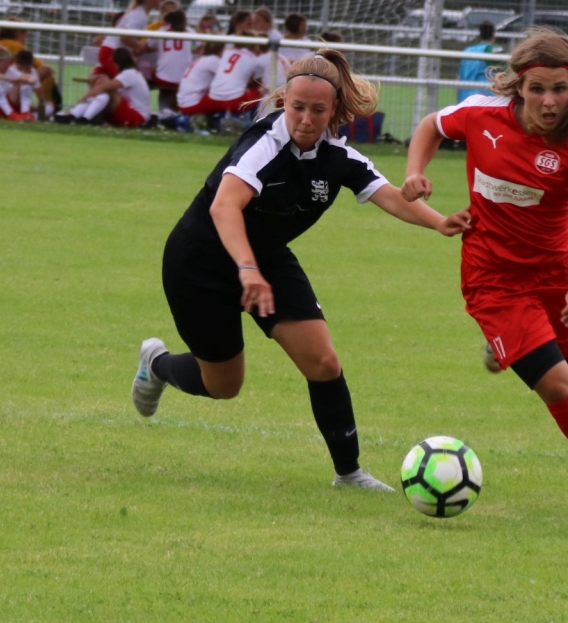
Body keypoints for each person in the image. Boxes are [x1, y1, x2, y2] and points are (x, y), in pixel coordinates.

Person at [132, 48, 470, 490]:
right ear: (283, 102)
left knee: (323, 361)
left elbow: (387, 193)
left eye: (317, 110)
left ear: (334, 110)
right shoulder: (263, 146)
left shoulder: (337, 156)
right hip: (199, 263)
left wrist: (440, 222)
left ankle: (349, 473)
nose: (306, 119)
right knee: (224, 385)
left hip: (266, 259)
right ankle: (157, 365)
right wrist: (247, 269)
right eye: (297, 107)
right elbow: (224, 206)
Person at [400, 27, 568, 520]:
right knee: (559, 387)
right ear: (519, 87)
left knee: (564, 374)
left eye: (560, 89)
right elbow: (431, 125)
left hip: (554, 277)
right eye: (538, 89)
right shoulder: (482, 115)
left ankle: (503, 346)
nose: (550, 102)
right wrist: (414, 172)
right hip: (491, 279)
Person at [64, 46, 152, 127]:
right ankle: (79, 116)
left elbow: (104, 88)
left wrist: (83, 98)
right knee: (103, 87)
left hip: (137, 116)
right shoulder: (131, 73)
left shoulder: (129, 74)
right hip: (134, 113)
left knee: (107, 91)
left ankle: (79, 115)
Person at [208, 12, 266, 120]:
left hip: (213, 98)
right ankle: (249, 122)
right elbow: (257, 83)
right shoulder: (254, 59)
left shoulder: (227, 51)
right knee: (262, 92)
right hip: (234, 101)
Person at [99, 0, 161, 74]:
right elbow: (124, 37)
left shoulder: (140, 13)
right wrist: (143, 47)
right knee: (125, 80)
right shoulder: (139, 15)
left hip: (115, 53)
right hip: (112, 53)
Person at [152, 9, 194, 116]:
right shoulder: (189, 31)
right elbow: (201, 46)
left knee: (162, 87)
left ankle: (162, 113)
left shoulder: (161, 30)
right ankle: (178, 114)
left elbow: (147, 45)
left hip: (162, 79)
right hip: (183, 79)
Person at [175, 37, 224, 127]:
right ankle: (226, 122)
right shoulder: (213, 60)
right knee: (229, 96)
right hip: (193, 104)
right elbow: (230, 77)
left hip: (185, 103)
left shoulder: (202, 59)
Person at [458, 21, 502, 100]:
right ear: (493, 35)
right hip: (483, 98)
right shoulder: (490, 49)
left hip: (464, 97)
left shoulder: (467, 51)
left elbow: (459, 76)